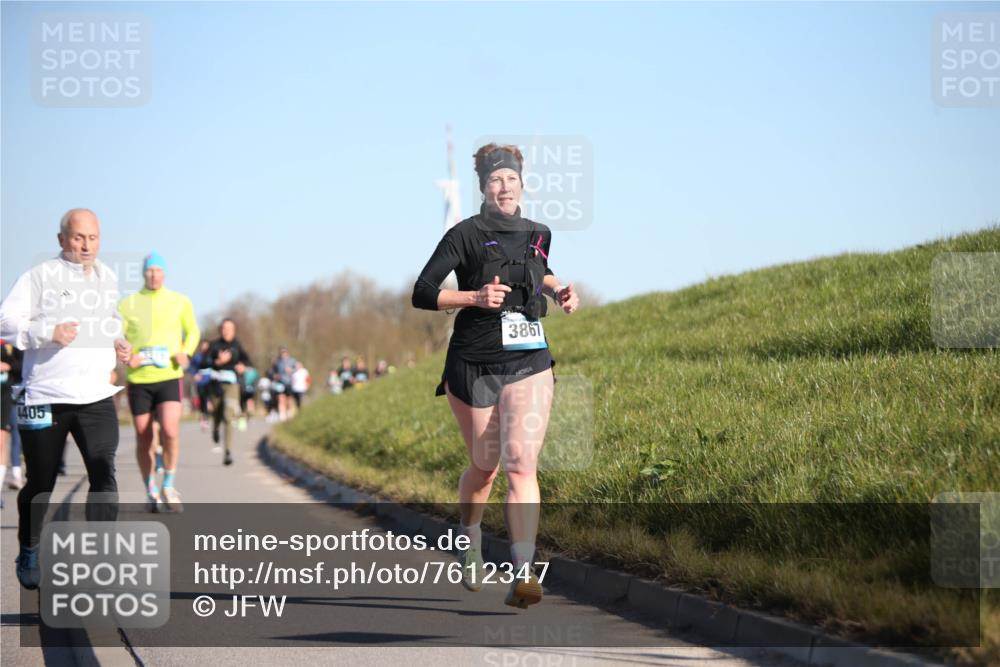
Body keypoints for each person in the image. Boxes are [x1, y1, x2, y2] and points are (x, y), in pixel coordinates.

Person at [412, 144, 579, 608]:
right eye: (494, 180)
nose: (503, 187)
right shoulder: (463, 235)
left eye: (510, 178)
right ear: (483, 186)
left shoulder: (538, 232)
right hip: (474, 361)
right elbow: (423, 293)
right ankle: (469, 536)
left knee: (522, 463)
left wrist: (559, 288)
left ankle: (524, 572)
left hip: (528, 359)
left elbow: (537, 269)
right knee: (484, 468)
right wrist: (473, 297)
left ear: (522, 182)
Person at [0, 208, 132, 589]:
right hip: (45, 395)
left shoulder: (107, 278)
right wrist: (47, 332)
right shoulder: (39, 277)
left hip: (95, 394)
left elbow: (110, 320)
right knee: (40, 482)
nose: (86, 245)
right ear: (62, 240)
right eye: (78, 237)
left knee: (102, 468)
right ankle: (28, 548)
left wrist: (119, 341)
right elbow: (6, 322)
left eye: (92, 238)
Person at [118, 252, 200, 512]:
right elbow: (115, 336)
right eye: (150, 271)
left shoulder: (179, 301)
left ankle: (169, 485)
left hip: (169, 376)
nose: (154, 275)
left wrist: (185, 351)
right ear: (144, 274)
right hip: (140, 379)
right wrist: (127, 355)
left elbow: (193, 330)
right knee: (144, 438)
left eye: (158, 271)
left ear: (164, 274)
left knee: (170, 430)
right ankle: (151, 490)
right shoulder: (127, 304)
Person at [206, 319, 251, 465]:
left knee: (228, 416)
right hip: (216, 386)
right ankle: (215, 429)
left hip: (232, 385)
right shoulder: (214, 345)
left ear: (234, 330)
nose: (226, 331)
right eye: (224, 328)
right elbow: (204, 362)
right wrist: (218, 362)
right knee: (218, 415)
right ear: (220, 330)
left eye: (229, 328)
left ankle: (227, 451)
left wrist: (243, 366)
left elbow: (248, 361)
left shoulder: (237, 345)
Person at [1, 339, 24, 507]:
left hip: (9, 395)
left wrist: (7, 367)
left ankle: (16, 473)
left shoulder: (13, 342)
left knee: (10, 436)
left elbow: (23, 366)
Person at [189, 340, 213, 431]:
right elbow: (190, 367)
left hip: (211, 381)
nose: (204, 348)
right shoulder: (197, 357)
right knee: (203, 401)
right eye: (203, 346)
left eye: (206, 346)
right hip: (201, 381)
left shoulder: (212, 356)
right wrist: (195, 374)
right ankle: (204, 420)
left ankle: (212, 418)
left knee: (211, 400)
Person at [269, 347, 297, 421]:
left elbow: (297, 370)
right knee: (281, 398)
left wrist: (291, 370)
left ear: (287, 353)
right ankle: (282, 414)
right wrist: (274, 375)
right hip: (280, 383)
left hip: (289, 382)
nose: (283, 354)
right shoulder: (277, 362)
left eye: (284, 352)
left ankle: (289, 412)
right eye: (281, 353)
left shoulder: (292, 361)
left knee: (289, 399)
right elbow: (272, 371)